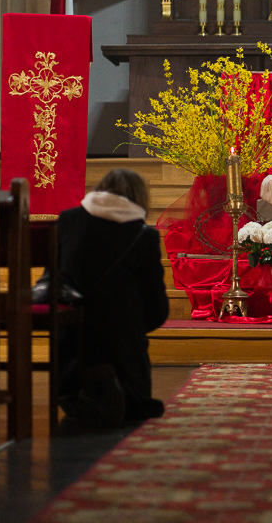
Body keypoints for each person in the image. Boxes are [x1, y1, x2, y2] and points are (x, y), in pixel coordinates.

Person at [58, 169, 170, 427]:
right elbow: (157, 310)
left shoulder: (67, 221)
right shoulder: (144, 235)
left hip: (71, 364)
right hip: (125, 364)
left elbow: (54, 281)